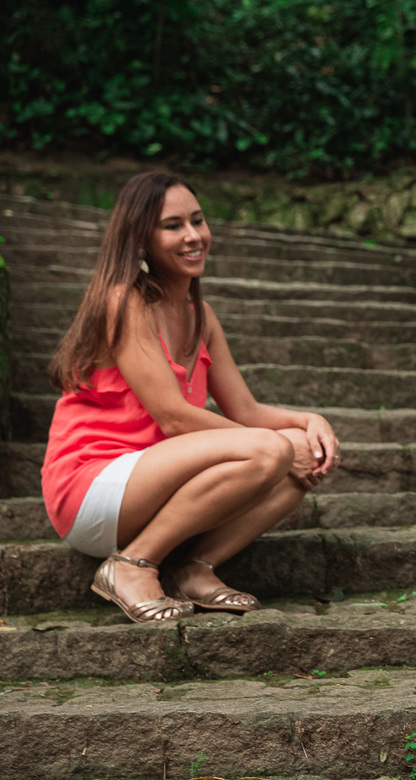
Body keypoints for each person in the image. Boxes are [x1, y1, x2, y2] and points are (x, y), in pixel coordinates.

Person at [41, 172, 341, 623]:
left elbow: (246, 411)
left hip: (154, 483)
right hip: (93, 487)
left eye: (197, 221)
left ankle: (193, 570)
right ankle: (131, 564)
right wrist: (275, 446)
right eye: (173, 225)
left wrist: (307, 422)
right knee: (272, 451)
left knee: (300, 462)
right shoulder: (125, 301)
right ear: (140, 238)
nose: (193, 236)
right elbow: (175, 418)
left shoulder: (202, 316)